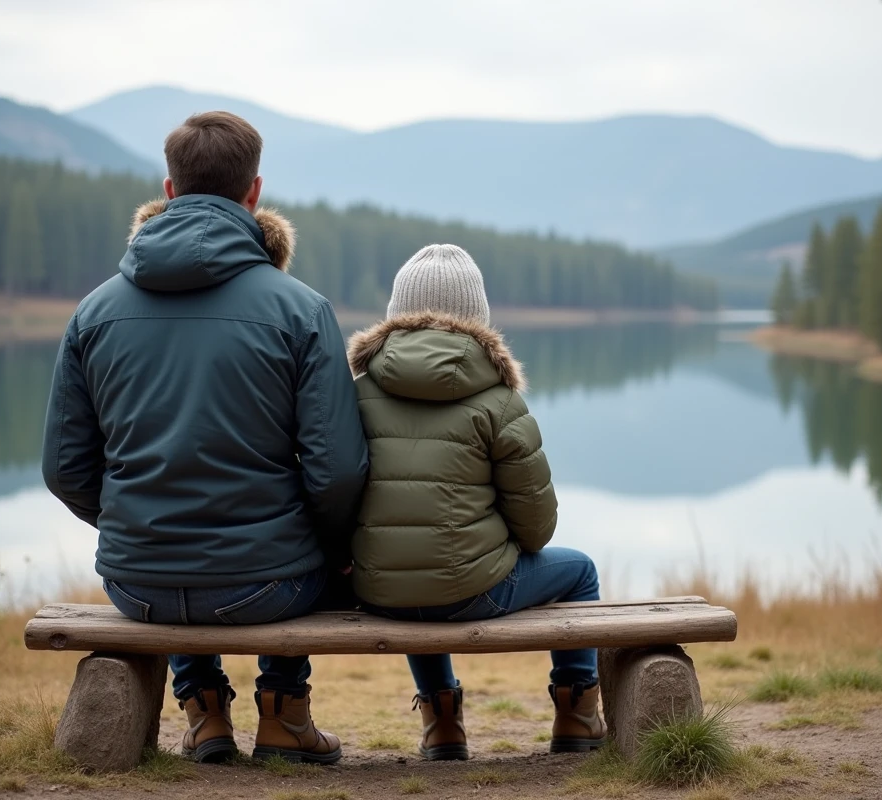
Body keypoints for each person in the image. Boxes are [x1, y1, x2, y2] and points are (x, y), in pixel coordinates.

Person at [41, 111, 368, 765]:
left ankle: (205, 713)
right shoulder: (300, 309)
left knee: (214, 543)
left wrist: (135, 522)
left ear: (168, 191)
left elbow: (64, 469)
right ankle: (284, 717)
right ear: (254, 193)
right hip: (271, 586)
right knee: (311, 547)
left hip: (136, 585)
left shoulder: (94, 311)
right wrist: (329, 545)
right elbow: (336, 473)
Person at [346, 244, 606, 761]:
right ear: (479, 319)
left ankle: (442, 725)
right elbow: (536, 530)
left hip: (376, 590)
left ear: (396, 316)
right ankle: (576, 713)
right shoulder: (501, 401)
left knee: (418, 577)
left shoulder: (352, 392)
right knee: (581, 572)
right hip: (475, 592)